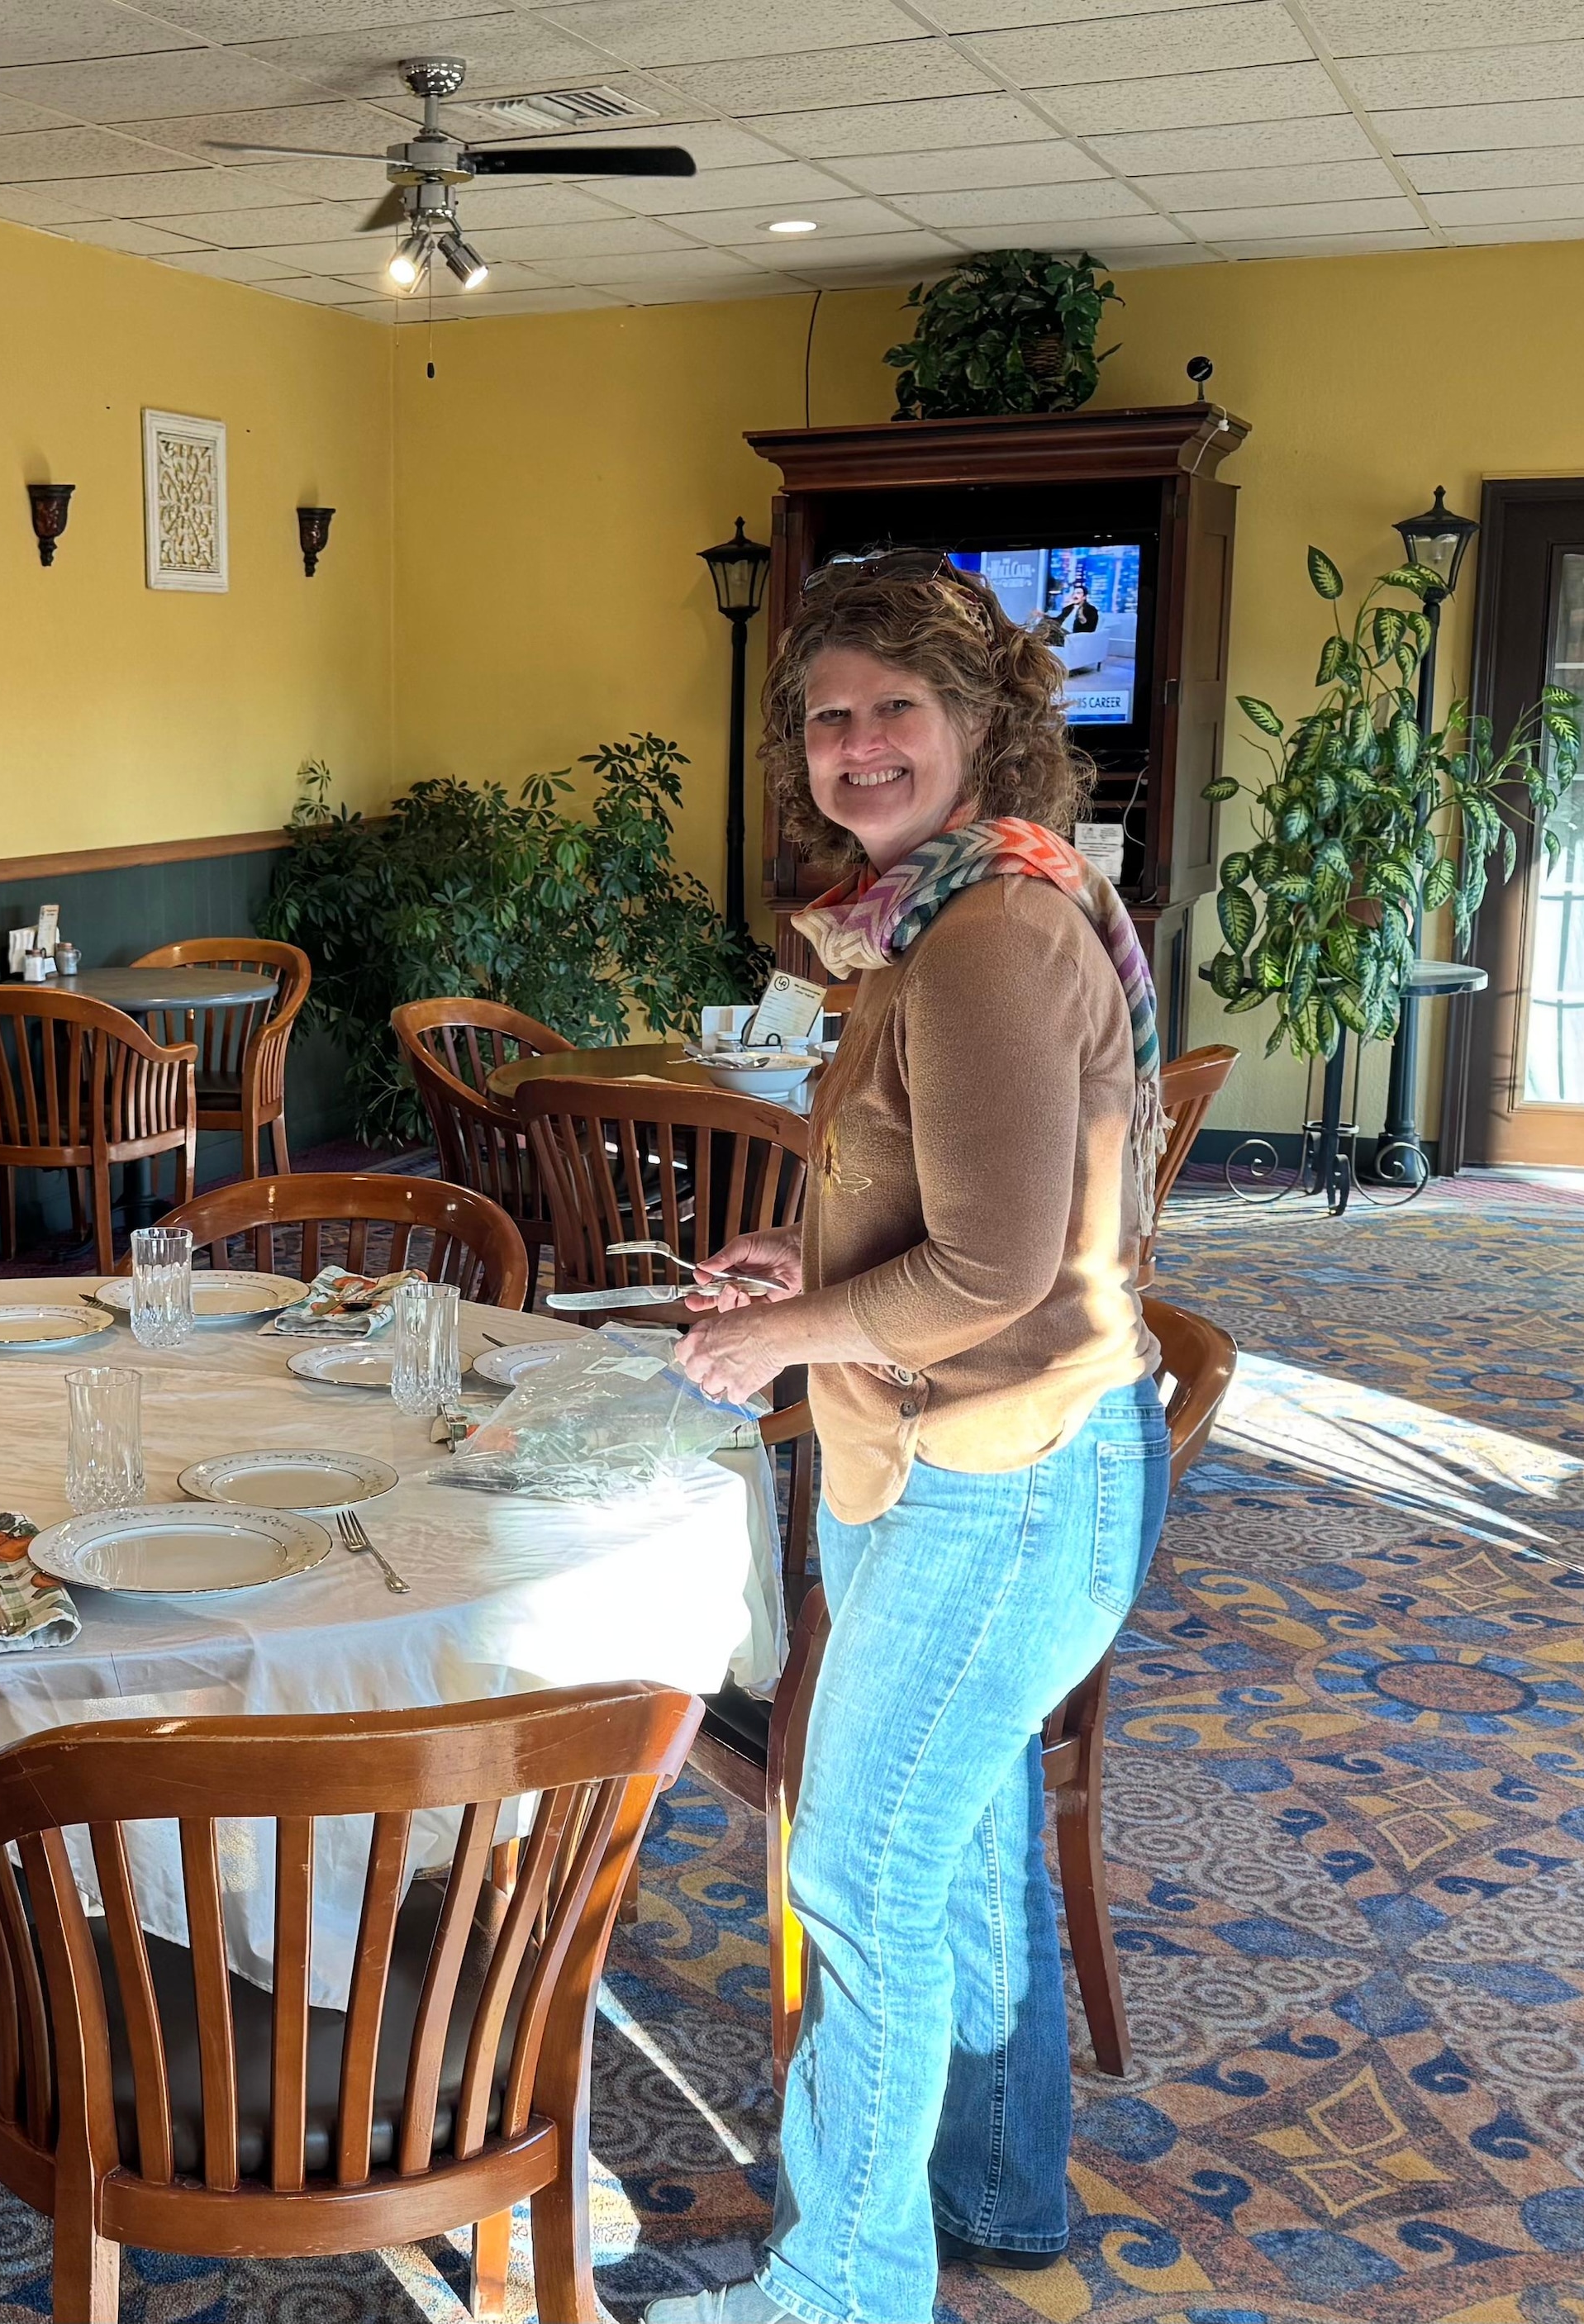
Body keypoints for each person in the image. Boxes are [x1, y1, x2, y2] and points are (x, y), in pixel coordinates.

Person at [651, 554, 1168, 2323]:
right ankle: (994, 2192)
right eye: (828, 717)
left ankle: (839, 2292)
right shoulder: (948, 909)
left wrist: (775, 1343)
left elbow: (999, 1264)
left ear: (981, 726)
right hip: (978, 1451)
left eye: (898, 711)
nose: (858, 745)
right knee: (953, 1855)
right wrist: (810, 1262)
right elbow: (965, 1206)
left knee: (855, 1876)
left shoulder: (983, 937)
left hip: (998, 1473)